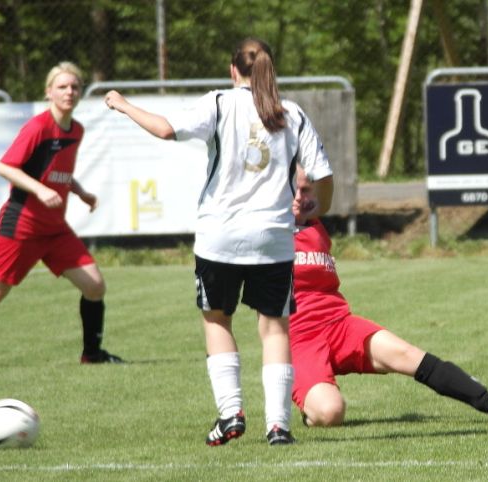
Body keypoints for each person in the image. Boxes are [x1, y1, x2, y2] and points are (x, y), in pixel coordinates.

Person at [104, 37, 334, 446]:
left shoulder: (218, 103)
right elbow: (323, 175)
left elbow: (165, 129)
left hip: (220, 236)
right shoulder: (292, 113)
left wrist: (123, 104)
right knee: (274, 328)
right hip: (273, 238)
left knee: (217, 319)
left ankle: (231, 414)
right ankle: (278, 426)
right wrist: (319, 208)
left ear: (232, 71)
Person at [290, 167, 488, 427]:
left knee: (407, 354)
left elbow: (325, 181)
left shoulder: (315, 223)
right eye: (292, 190)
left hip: (340, 324)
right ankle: (312, 406)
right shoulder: (269, 231)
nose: (299, 196)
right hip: (299, 339)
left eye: (305, 189)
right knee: (332, 412)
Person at [0, 61, 123, 371]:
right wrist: (39, 190)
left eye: (75, 87)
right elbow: (5, 167)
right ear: (49, 92)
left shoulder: (76, 130)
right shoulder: (38, 127)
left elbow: (57, 173)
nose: (69, 92)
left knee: (94, 286)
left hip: (54, 229)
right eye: (62, 87)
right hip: (21, 225)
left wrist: (79, 192)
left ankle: (92, 354)